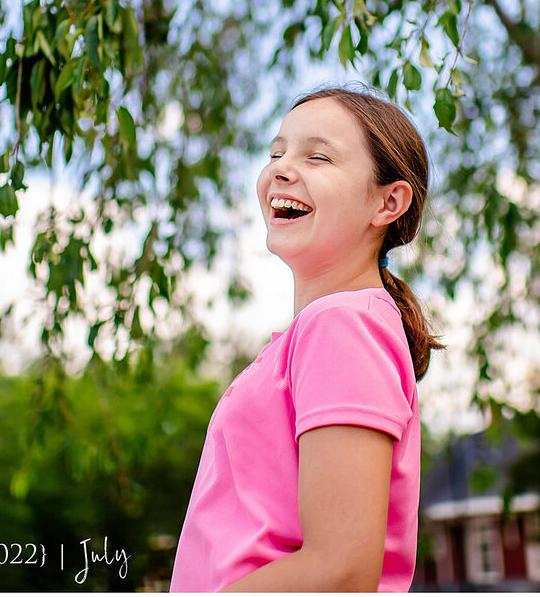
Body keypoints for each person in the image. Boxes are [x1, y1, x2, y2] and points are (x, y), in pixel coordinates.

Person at [169, 85, 442, 592]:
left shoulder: (343, 326)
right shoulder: (320, 333)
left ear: (388, 202)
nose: (281, 168)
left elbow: (340, 571)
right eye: (276, 152)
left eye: (317, 156)